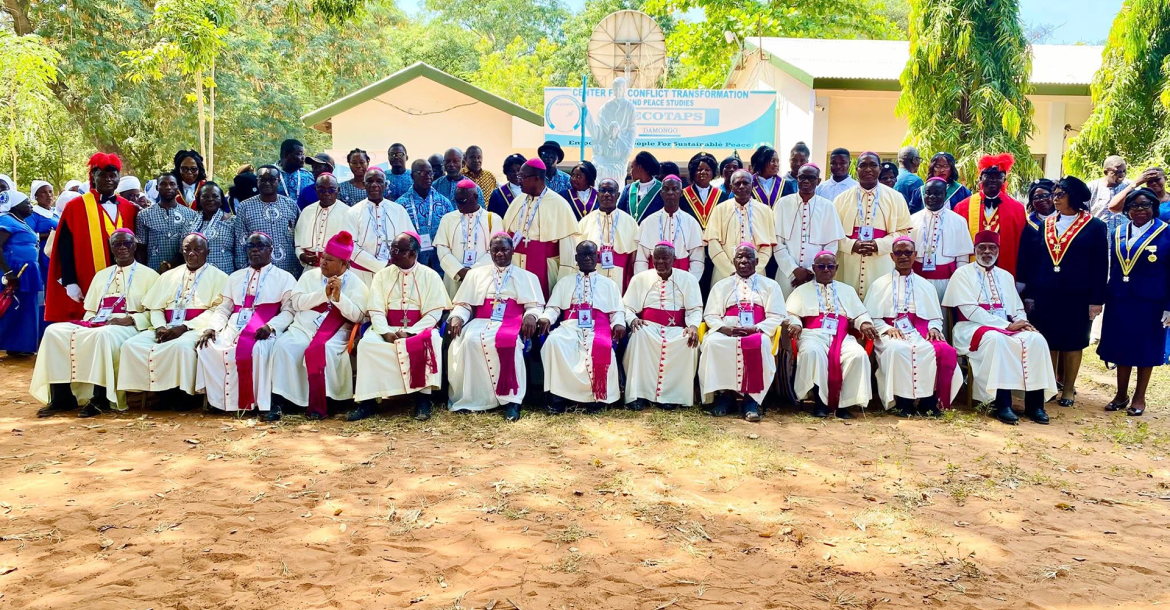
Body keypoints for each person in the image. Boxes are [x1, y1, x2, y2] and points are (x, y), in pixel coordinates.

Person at [31, 229, 160, 416]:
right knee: (54, 331)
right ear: (111, 248)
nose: (122, 247)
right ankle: (62, 398)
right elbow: (91, 309)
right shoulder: (101, 275)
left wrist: (130, 319)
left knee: (104, 335)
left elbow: (154, 312)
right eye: (117, 244)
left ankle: (101, 399)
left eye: (127, 243)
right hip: (98, 323)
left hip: (129, 326)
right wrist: (91, 322)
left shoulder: (150, 276)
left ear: (135, 246)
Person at [943, 230, 1057, 424]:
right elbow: (971, 312)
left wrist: (1024, 323)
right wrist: (1008, 325)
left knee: (1037, 340)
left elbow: (1017, 308)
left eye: (992, 248)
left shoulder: (1005, 276)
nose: (987, 252)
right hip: (971, 327)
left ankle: (1035, 404)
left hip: (1007, 327)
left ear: (998, 250)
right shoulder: (961, 274)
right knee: (997, 340)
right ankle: (1001, 403)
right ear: (974, 250)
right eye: (982, 247)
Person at [1021, 176, 1107, 408]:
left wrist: (1096, 300)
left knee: (1073, 341)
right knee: (1047, 340)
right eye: (1054, 194)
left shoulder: (1095, 226)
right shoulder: (1046, 224)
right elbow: (1036, 261)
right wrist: (1030, 294)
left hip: (1077, 294)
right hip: (1046, 292)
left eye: (1060, 195)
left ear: (1074, 198)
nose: (1054, 199)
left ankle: (1068, 388)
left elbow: (1101, 266)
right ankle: (1050, 386)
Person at [116, 233, 229, 408]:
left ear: (207, 251)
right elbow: (156, 307)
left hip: (196, 328)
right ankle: (158, 394)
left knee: (181, 347)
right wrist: (160, 326)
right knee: (131, 345)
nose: (192, 253)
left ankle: (183, 396)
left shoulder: (220, 277)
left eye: (197, 249)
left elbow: (216, 310)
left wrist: (185, 327)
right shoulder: (168, 276)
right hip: (166, 326)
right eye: (187, 250)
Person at [351, 232, 451, 421]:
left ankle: (423, 400)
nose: (392, 253)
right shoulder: (382, 275)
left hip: (419, 328)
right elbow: (376, 309)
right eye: (392, 248)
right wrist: (386, 332)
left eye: (398, 250)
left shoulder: (430, 276)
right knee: (367, 344)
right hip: (387, 328)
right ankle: (368, 402)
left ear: (413, 253)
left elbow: (434, 313)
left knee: (431, 341)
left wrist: (411, 331)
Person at [195, 232, 297, 419]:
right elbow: (225, 308)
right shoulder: (235, 277)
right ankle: (222, 402)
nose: (256, 250)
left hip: (265, 327)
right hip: (234, 325)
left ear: (271, 250)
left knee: (259, 349)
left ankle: (262, 403)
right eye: (251, 247)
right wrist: (212, 328)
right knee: (208, 346)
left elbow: (289, 311)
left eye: (261, 246)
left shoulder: (285, 278)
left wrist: (271, 327)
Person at [446, 233, 545, 420]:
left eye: (504, 250)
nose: (500, 254)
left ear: (512, 251)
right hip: (481, 322)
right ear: (490, 252)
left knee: (511, 344)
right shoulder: (476, 275)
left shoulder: (527, 277)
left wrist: (531, 316)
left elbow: (535, 305)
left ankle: (512, 402)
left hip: (511, 322)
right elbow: (464, 304)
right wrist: (457, 317)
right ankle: (473, 399)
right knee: (468, 342)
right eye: (495, 250)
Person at [271, 231, 368, 420]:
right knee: (284, 347)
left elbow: (358, 315)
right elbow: (296, 303)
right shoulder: (309, 276)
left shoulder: (358, 285)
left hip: (336, 333)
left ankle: (325, 402)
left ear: (344, 264)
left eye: (329, 260)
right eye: (323, 257)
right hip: (302, 329)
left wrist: (339, 298)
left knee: (325, 351)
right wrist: (323, 294)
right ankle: (283, 402)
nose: (323, 262)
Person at [864, 237, 961, 416]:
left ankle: (928, 402)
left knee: (934, 350)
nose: (903, 257)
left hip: (920, 332)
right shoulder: (879, 285)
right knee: (898, 350)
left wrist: (934, 329)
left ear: (915, 255)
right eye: (899, 253)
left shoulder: (926, 285)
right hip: (889, 332)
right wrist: (886, 328)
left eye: (908, 252)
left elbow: (935, 318)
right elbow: (870, 318)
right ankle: (903, 402)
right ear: (892, 256)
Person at [1098, 188, 1170, 417]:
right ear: (1127, 209)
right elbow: (1114, 267)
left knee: (1145, 348)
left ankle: (1140, 396)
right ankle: (1121, 394)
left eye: (1145, 205)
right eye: (1134, 206)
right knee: (1120, 346)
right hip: (1120, 299)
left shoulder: (1166, 233)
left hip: (1151, 302)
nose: (1140, 210)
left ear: (1154, 208)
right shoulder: (1118, 232)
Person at [45, 153, 140, 323]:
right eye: (102, 175)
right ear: (93, 177)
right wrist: (70, 281)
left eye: (113, 175)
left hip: (124, 281)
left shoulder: (129, 208)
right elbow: (64, 247)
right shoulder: (75, 206)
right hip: (86, 278)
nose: (108, 179)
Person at [785, 250, 877, 419]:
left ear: (836, 268)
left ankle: (844, 404)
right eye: (821, 266)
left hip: (842, 336)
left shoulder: (847, 290)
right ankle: (820, 403)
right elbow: (791, 314)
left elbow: (859, 314)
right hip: (812, 334)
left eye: (830, 266)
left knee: (857, 355)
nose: (825, 269)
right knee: (812, 352)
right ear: (814, 268)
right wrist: (796, 324)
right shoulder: (801, 291)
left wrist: (864, 323)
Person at [699, 244, 785, 421]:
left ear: (757, 261)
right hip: (726, 330)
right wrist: (725, 329)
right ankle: (726, 396)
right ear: (733, 261)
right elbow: (710, 314)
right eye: (739, 257)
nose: (744, 260)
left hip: (757, 330)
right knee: (713, 343)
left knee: (761, 344)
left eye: (748, 257)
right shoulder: (721, 285)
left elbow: (777, 315)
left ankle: (751, 400)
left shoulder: (770, 285)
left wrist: (756, 328)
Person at [537, 241, 626, 413]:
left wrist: (619, 324)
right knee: (554, 342)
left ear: (597, 257)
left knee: (600, 346)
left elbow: (617, 312)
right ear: (576, 258)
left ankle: (597, 400)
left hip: (597, 326)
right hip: (570, 325)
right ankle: (558, 398)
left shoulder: (609, 284)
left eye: (591, 255)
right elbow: (553, 307)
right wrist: (546, 317)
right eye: (583, 255)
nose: (587, 258)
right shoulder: (565, 282)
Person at [623, 242, 703, 410]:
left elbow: (695, 309)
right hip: (649, 327)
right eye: (656, 258)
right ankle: (639, 395)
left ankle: (672, 396)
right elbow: (627, 307)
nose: (660, 263)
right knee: (639, 335)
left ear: (674, 259)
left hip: (677, 329)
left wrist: (693, 327)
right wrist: (632, 320)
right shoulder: (641, 279)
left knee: (687, 341)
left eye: (665, 258)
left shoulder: (688, 279)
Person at [833, 152, 912, 299]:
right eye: (863, 165)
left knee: (880, 303)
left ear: (880, 169)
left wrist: (878, 244)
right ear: (856, 169)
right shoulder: (840, 200)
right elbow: (832, 234)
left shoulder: (896, 198)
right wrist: (851, 245)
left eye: (873, 165)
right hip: (849, 261)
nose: (868, 169)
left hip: (881, 261)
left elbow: (903, 233)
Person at [502, 159, 579, 299]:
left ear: (536, 178)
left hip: (545, 267)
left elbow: (568, 252)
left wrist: (563, 287)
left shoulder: (559, 204)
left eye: (522, 177)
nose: (519, 181)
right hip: (516, 265)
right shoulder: (518, 200)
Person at [773, 163, 846, 296]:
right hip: (786, 274)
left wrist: (810, 271)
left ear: (818, 181)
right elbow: (777, 242)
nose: (806, 181)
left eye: (811, 178)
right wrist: (793, 270)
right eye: (802, 178)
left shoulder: (827, 206)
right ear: (797, 179)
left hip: (816, 274)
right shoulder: (783, 204)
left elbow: (831, 244)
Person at [953, 153, 1026, 277]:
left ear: (1004, 180)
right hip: (971, 269)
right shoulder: (962, 207)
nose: (993, 179)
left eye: (998, 176)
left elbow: (1022, 246)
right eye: (988, 176)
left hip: (1004, 268)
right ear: (980, 179)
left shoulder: (1017, 208)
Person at [704, 169, 775, 282]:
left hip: (757, 273)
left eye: (745, 183)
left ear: (752, 185)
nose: (741, 186)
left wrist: (753, 270)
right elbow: (713, 244)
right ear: (731, 187)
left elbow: (767, 247)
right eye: (737, 183)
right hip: (725, 274)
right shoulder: (719, 210)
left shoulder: (765, 211)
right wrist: (730, 270)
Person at [434, 179, 502, 297]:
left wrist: (472, 272)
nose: (458, 205)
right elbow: (442, 248)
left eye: (463, 201)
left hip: (483, 276)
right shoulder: (448, 219)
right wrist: (458, 270)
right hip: (454, 277)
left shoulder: (493, 219)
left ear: (475, 197)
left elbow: (494, 250)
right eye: (457, 200)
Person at [349, 168, 417, 285]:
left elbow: (412, 241)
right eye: (370, 181)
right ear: (364, 185)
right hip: (362, 275)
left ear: (385, 185)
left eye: (379, 181)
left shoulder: (398, 210)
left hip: (396, 271)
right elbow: (349, 246)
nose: (374, 185)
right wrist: (380, 265)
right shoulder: (353, 212)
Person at [910, 177, 974, 301]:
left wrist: (959, 283)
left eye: (937, 193)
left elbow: (962, 257)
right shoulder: (912, 220)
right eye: (928, 193)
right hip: (918, 279)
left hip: (947, 281)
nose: (932, 197)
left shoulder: (958, 221)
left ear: (944, 195)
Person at [233, 165, 301, 278]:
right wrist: (244, 272)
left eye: (272, 179)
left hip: (289, 270)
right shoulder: (244, 207)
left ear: (278, 181)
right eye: (262, 180)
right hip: (257, 271)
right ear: (257, 182)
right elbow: (241, 242)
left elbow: (299, 238)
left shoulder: (291, 205)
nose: (267, 183)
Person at [634, 176, 705, 280]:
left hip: (682, 276)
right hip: (653, 276)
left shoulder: (691, 223)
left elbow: (697, 260)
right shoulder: (648, 222)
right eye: (666, 189)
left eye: (675, 189)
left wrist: (689, 282)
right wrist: (645, 282)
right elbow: (641, 259)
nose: (670, 192)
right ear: (661, 193)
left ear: (681, 193)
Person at [0, 191, 43, 354]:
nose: (31, 205)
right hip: (14, 270)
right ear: (16, 206)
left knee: (26, 308)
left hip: (28, 270)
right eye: (27, 203)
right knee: (14, 307)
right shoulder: (6, 220)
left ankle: (21, 346)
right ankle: (11, 344)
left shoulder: (22, 222)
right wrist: (9, 272)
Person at [577, 177, 638, 291]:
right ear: (597, 194)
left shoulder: (630, 222)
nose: (606, 194)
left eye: (611, 191)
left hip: (620, 275)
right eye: (603, 190)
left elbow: (634, 258)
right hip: (593, 276)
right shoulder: (585, 222)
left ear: (618, 195)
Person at [396, 159, 455, 274]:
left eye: (430, 173)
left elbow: (452, 232)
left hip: (440, 262)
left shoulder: (444, 203)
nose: (428, 176)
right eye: (422, 173)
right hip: (411, 261)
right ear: (412, 176)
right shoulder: (401, 205)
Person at [135, 173, 197, 272]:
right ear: (157, 187)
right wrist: (143, 273)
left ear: (177, 187)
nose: (168, 187)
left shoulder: (191, 215)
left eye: (172, 184)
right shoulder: (144, 215)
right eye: (163, 184)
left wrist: (169, 265)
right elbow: (141, 249)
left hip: (183, 272)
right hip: (154, 272)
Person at [294, 173, 356, 270]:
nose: (326, 193)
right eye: (322, 190)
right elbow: (298, 242)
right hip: (309, 268)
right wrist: (301, 255)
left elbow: (352, 246)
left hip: (336, 269)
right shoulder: (307, 211)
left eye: (331, 190)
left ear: (338, 190)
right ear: (315, 190)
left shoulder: (348, 212)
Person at [189, 182, 236, 273]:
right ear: (199, 200)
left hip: (225, 276)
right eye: (205, 196)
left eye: (215, 196)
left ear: (222, 200)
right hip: (196, 276)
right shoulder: (190, 222)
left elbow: (240, 253)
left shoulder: (232, 222)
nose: (210, 199)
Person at [907, 152, 972, 212]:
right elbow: (912, 214)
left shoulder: (962, 192)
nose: (942, 170)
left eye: (946, 166)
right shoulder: (921, 191)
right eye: (937, 166)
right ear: (932, 168)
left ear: (952, 169)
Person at [681, 152, 727, 230]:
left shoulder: (722, 196)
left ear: (713, 173)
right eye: (699, 169)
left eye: (707, 169)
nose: (703, 172)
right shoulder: (682, 195)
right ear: (693, 173)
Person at [26, 180, 58, 291]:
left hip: (56, 254)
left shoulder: (55, 213)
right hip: (43, 256)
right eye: (44, 192)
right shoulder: (33, 214)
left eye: (50, 192)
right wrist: (48, 235)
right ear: (36, 196)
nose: (49, 195)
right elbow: (29, 235)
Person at [1088, 155, 1130, 238]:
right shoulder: (1091, 188)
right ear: (1106, 172)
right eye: (1117, 172)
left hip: (1124, 239)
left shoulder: (1130, 187)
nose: (1122, 175)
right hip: (1098, 238)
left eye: (1124, 171)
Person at [620, 151, 664, 223]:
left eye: (632, 167)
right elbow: (620, 213)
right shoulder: (628, 189)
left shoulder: (661, 189)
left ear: (640, 167)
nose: (630, 171)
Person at [487, 153, 527, 218]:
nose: (516, 173)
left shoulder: (532, 192)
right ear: (507, 174)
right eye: (512, 171)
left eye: (519, 170)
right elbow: (492, 219)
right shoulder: (497, 194)